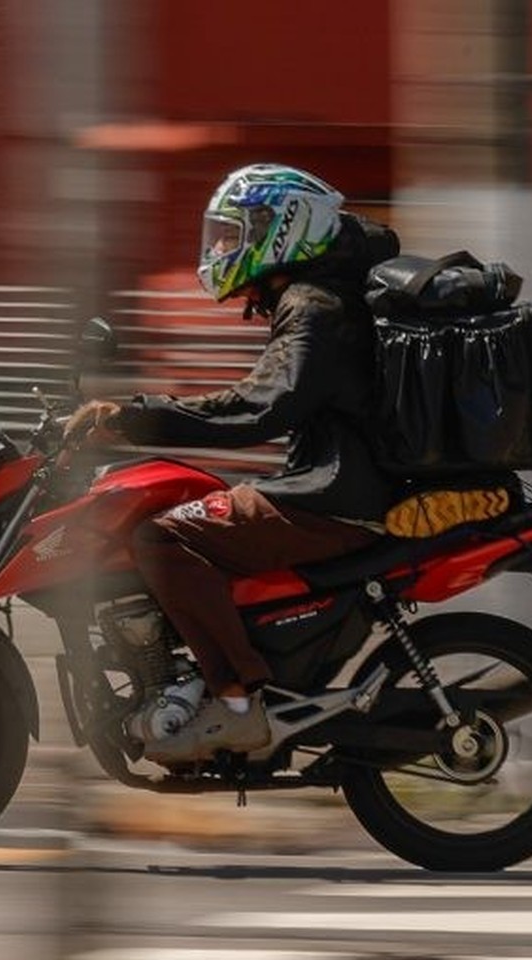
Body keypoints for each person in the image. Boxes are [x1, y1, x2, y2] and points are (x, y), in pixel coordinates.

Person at [65, 163, 401, 764]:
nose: (222, 248)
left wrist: (133, 417)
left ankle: (236, 701)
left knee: (161, 536)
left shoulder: (314, 305)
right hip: (336, 486)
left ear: (284, 228)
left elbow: (260, 409)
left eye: (234, 233)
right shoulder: (318, 296)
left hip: (334, 497)